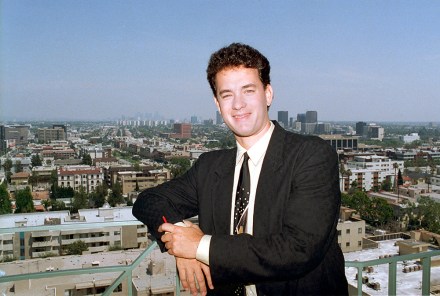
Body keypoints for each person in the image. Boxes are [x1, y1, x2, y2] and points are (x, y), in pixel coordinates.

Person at [133, 43, 348, 295]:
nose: (238, 104)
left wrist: (200, 247)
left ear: (268, 94)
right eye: (227, 94)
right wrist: (181, 242)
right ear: (217, 103)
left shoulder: (311, 155)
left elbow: (298, 248)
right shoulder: (210, 166)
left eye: (248, 90)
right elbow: (149, 201)